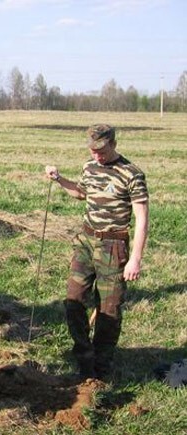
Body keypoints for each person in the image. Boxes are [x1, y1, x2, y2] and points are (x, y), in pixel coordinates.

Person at [45, 124, 149, 378]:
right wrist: (59, 179)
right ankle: (83, 354)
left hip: (113, 247)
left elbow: (142, 218)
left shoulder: (132, 174)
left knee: (109, 309)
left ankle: (101, 367)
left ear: (113, 144)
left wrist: (135, 259)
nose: (97, 156)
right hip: (86, 241)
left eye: (101, 150)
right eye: (92, 151)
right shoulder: (89, 167)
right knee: (74, 300)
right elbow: (81, 193)